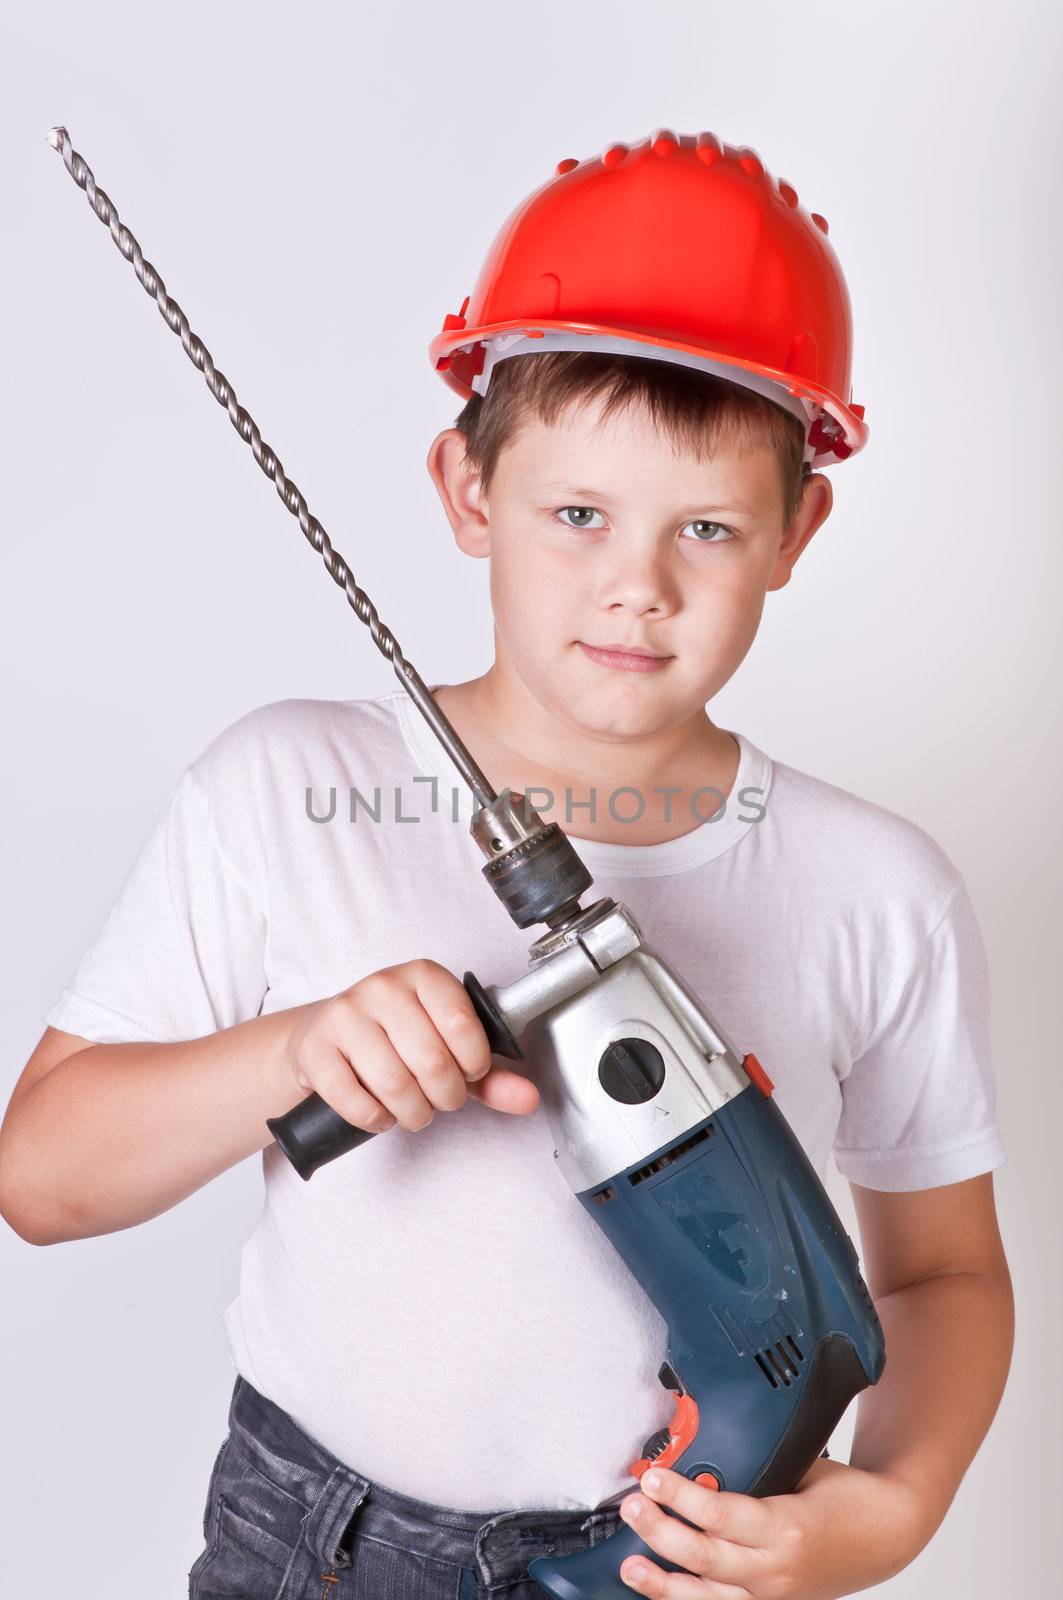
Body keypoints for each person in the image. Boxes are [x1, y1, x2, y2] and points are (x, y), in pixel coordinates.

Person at [0, 130, 1013, 1600]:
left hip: (671, 1565)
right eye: (579, 513)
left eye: (709, 529)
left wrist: (895, 1507)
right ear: (468, 490)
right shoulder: (291, 786)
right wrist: (298, 1051)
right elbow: (37, 1180)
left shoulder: (876, 892)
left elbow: (938, 1278)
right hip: (314, 1547)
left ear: (799, 527)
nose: (637, 586)